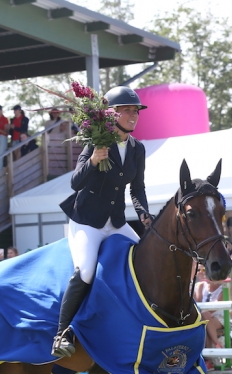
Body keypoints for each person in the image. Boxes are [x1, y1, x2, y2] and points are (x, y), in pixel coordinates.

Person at [52, 86, 151, 358]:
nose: (134, 115)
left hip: (116, 221)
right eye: (128, 111)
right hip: (88, 221)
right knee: (85, 271)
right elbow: (75, 182)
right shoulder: (95, 142)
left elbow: (137, 188)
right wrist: (94, 160)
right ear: (112, 114)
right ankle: (61, 334)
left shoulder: (137, 149)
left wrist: (143, 213)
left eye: (136, 111)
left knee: (146, 260)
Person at [195, 274, 227, 349]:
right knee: (204, 322)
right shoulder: (201, 286)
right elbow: (198, 302)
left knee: (204, 316)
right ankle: (213, 350)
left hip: (219, 317)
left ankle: (216, 343)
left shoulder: (223, 288)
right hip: (203, 317)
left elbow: (213, 308)